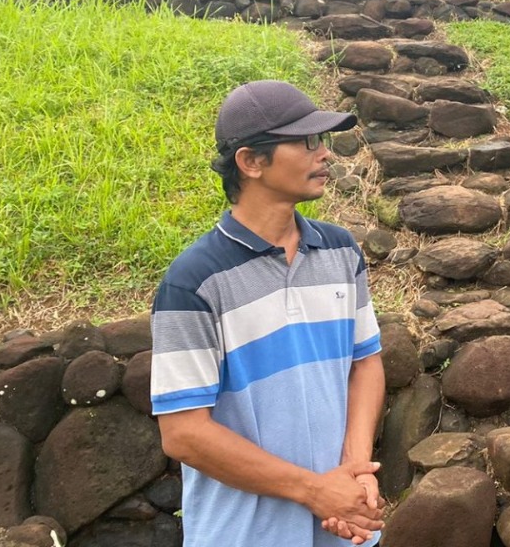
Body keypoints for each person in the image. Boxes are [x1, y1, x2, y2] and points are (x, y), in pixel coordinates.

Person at [150, 80, 386, 547]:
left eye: (321, 140)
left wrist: (355, 468)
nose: (325, 154)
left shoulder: (340, 251)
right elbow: (184, 433)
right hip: (244, 535)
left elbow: (366, 362)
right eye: (305, 142)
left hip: (345, 528)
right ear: (251, 162)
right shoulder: (194, 282)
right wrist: (315, 490)